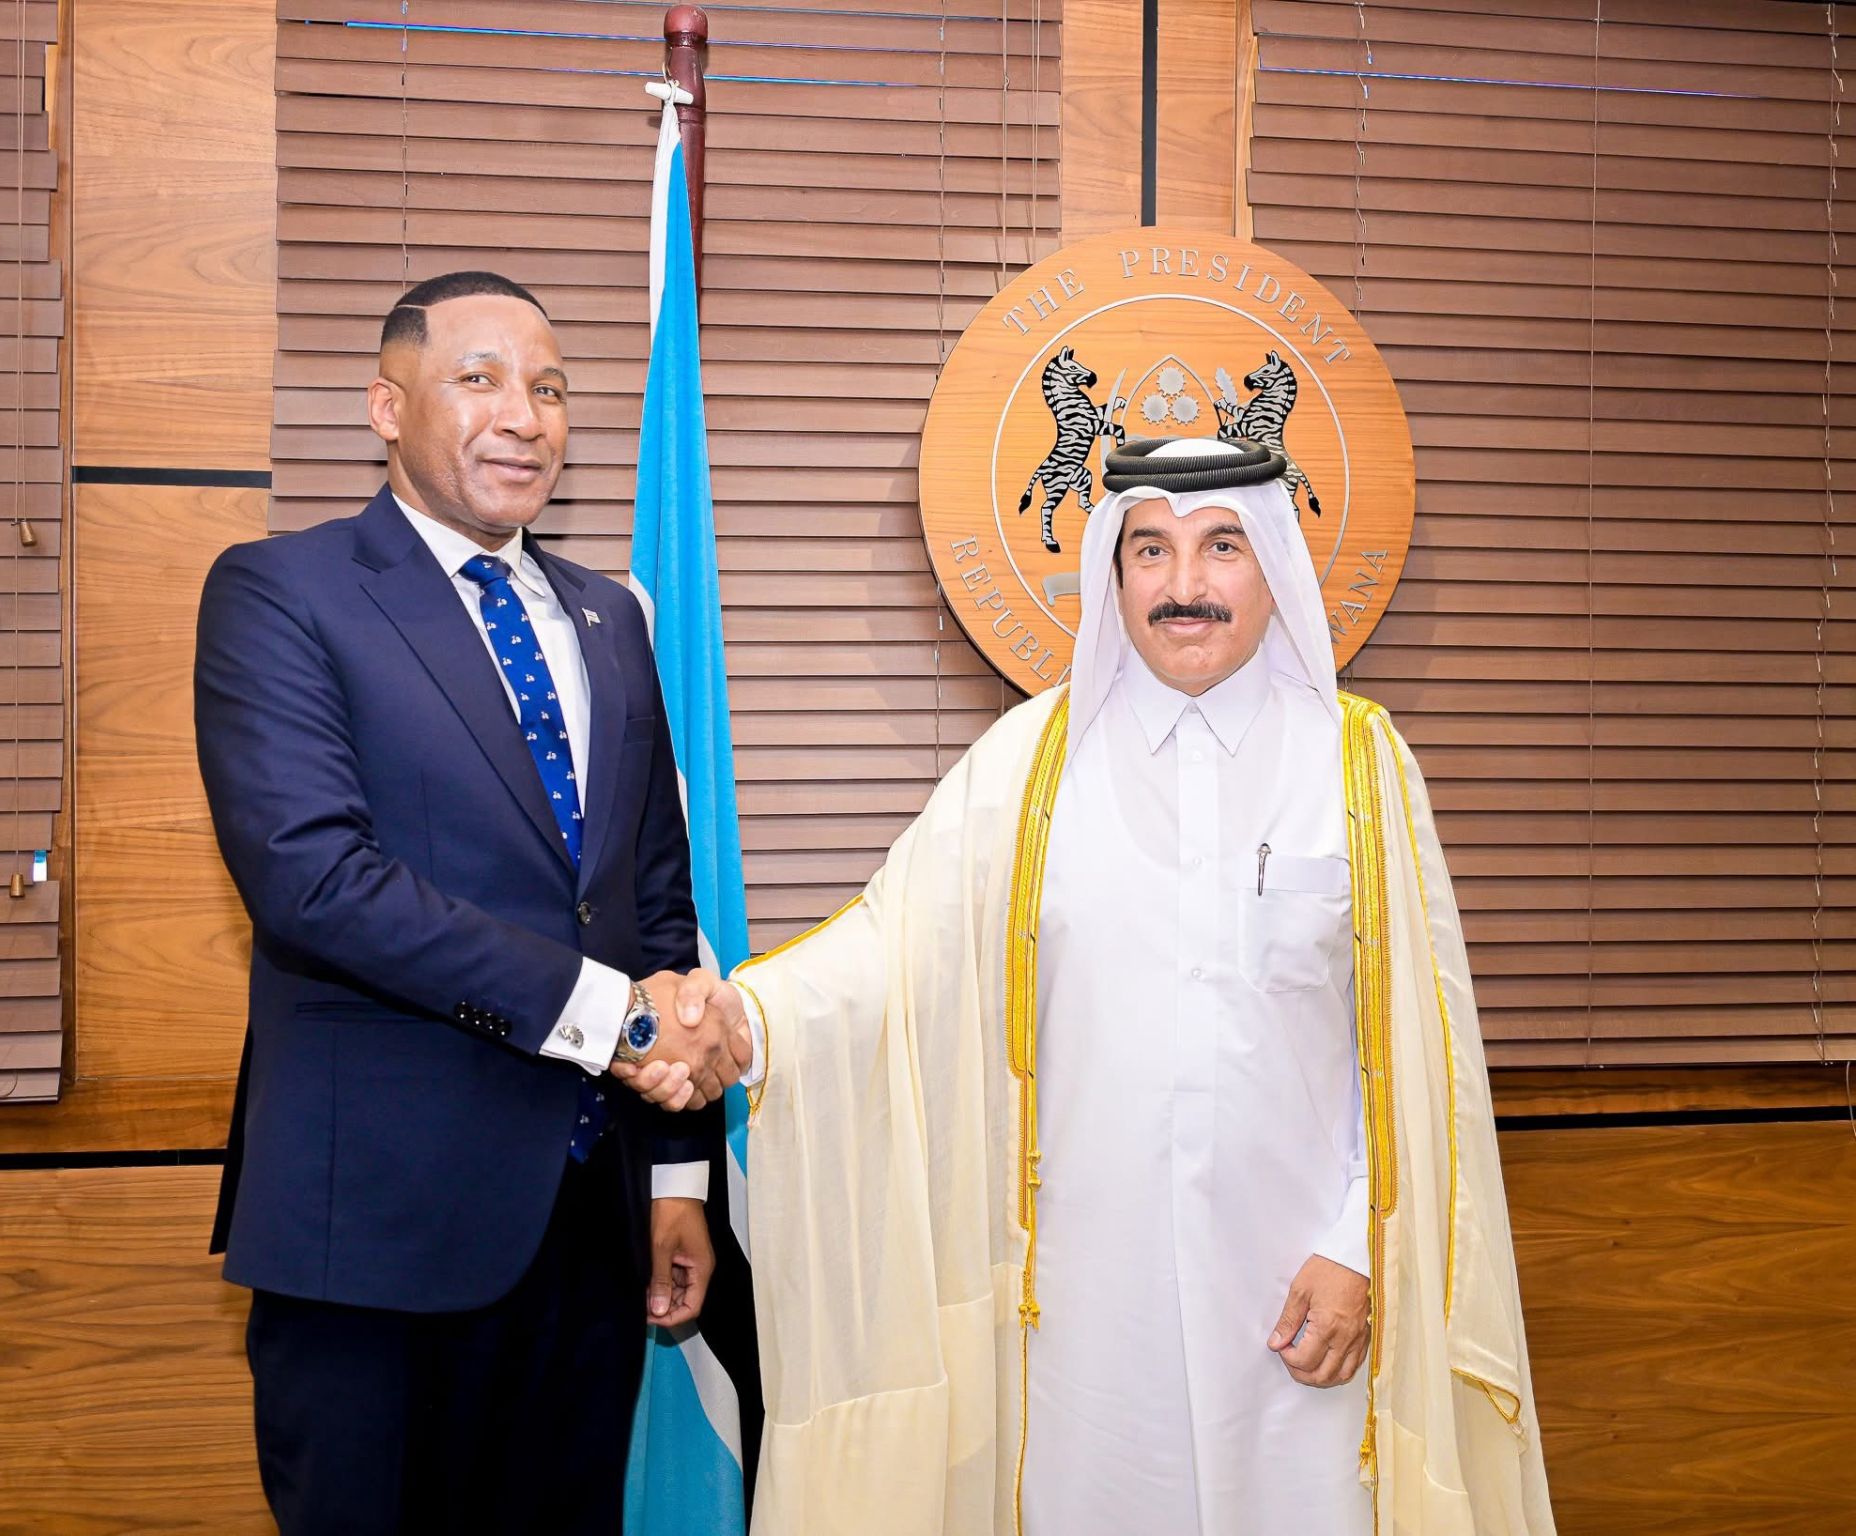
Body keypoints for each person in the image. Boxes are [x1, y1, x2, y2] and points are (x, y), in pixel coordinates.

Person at [626, 435, 1556, 1535]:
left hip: (1302, 1290)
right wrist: (742, 1018)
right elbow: (889, 952)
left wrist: (1360, 1250)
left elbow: (1419, 1050)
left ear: (1273, 568)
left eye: (1222, 547)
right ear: (1114, 576)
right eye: (1150, 551)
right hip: (1089, 1309)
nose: (1185, 584)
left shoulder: (1358, 764)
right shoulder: (1030, 763)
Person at [194, 270, 747, 1536]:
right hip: (373, 1235)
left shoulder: (610, 618)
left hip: (587, 1228)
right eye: (480, 379)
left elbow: (654, 905)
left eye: (549, 389)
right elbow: (314, 880)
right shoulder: (283, 591)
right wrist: (612, 1019)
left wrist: (675, 1174)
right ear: (388, 408)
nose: (524, 416)